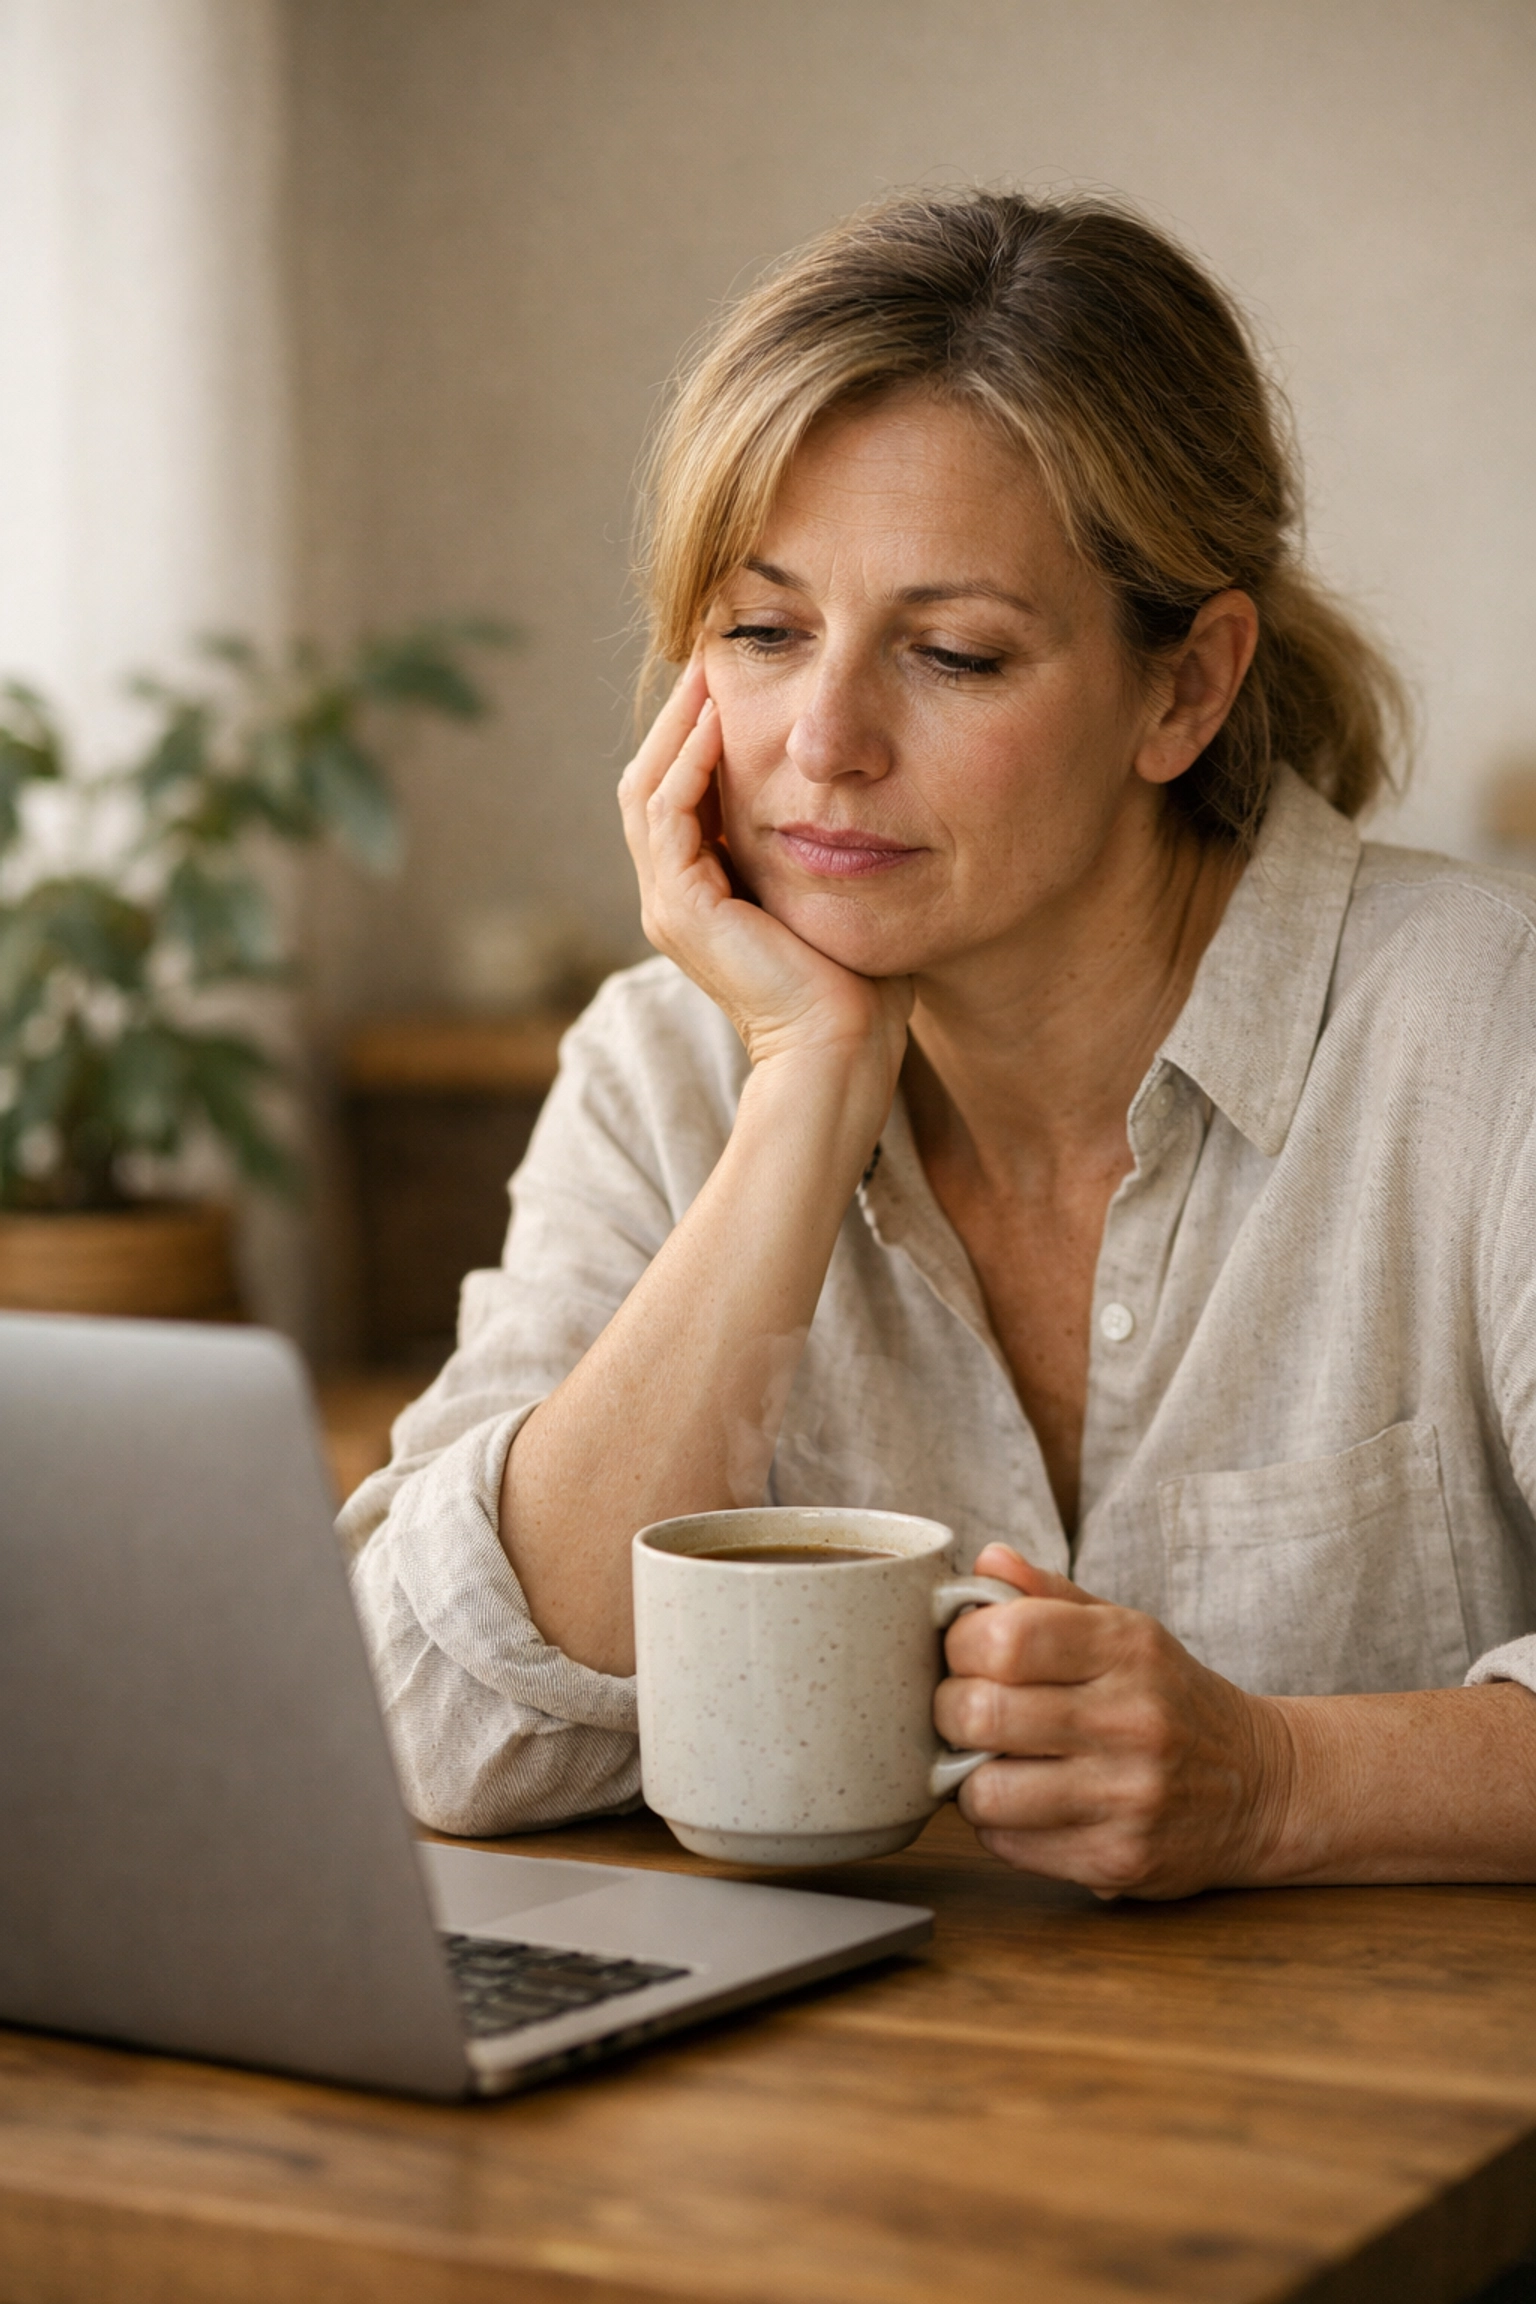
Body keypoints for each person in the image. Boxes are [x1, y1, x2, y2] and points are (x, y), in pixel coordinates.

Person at [345, 189, 1536, 1897]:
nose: (821, 742)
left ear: (1185, 689)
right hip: (851, 2119)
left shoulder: (1488, 1033)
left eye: (955, 653)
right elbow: (432, 1725)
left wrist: (1281, 1777)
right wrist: (803, 1097)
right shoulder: (662, 1068)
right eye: (762, 632)